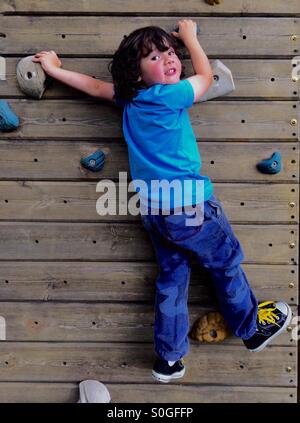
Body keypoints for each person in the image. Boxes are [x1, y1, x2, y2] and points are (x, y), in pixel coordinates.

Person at [33, 19, 292, 384]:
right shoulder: (170, 95)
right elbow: (205, 77)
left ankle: (169, 360)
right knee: (226, 264)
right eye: (154, 56)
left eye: (170, 52)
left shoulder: (131, 98)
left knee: (172, 280)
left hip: (155, 212)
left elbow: (93, 87)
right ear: (136, 74)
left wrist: (55, 70)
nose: (169, 59)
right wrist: (189, 38)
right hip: (192, 209)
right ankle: (251, 329)